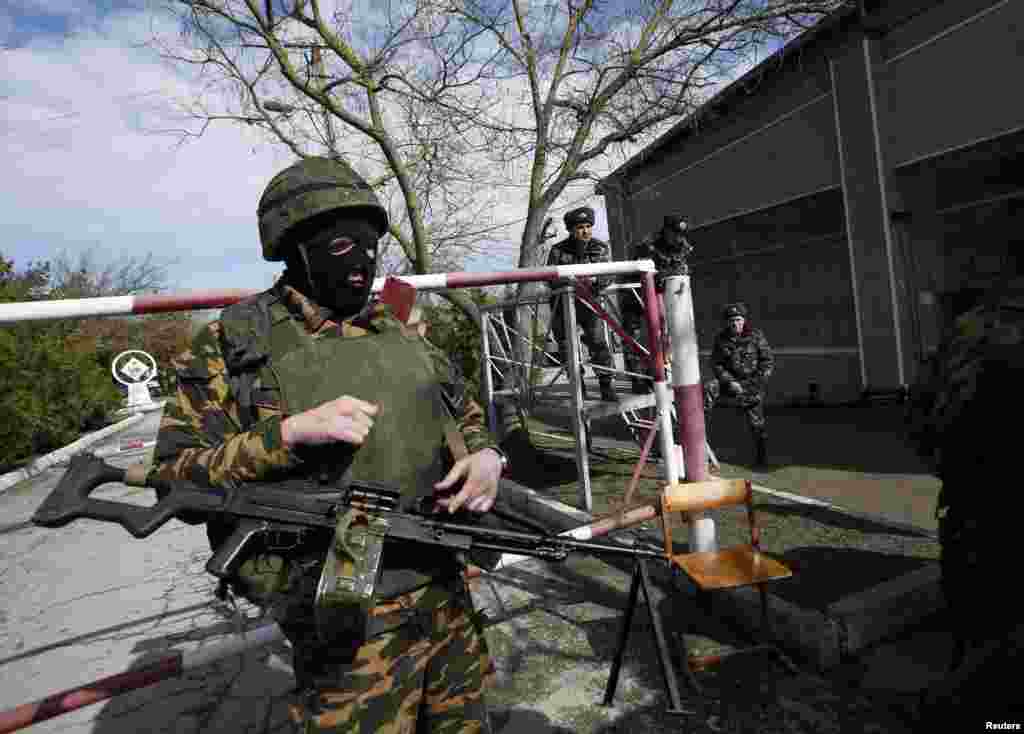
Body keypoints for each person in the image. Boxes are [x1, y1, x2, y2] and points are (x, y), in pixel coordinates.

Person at [150, 156, 508, 733]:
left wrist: (486, 456)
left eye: (371, 247)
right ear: (296, 250)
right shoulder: (235, 344)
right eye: (343, 248)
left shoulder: (399, 328)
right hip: (341, 615)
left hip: (444, 591)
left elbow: (463, 413)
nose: (363, 263)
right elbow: (174, 478)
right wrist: (287, 435)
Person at [907, 265, 1024, 727]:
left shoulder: (971, 329)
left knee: (977, 621)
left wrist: (958, 472)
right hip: (986, 502)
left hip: (973, 505)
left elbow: (921, 419)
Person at [546, 206, 617, 403]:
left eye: (588, 226)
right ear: (570, 230)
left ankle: (606, 384)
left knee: (597, 341)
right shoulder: (558, 250)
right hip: (563, 304)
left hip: (589, 303)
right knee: (567, 346)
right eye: (579, 227)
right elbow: (550, 278)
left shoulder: (600, 247)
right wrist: (573, 281)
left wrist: (595, 281)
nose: (585, 231)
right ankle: (578, 386)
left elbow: (608, 274)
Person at [620, 214, 694, 394]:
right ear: (666, 231)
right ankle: (637, 378)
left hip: (661, 293)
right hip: (635, 294)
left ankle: (657, 374)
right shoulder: (648, 246)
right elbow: (642, 273)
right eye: (675, 233)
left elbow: (680, 270)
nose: (679, 238)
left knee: (664, 334)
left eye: (681, 234)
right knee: (633, 337)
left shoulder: (683, 247)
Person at [703, 303, 774, 466]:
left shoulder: (756, 336)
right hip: (729, 383)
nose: (735, 323)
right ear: (727, 322)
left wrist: (753, 385)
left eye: (738, 319)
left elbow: (767, 362)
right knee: (710, 387)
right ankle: (699, 441)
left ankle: (761, 456)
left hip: (751, 385)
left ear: (744, 320)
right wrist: (730, 382)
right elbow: (716, 364)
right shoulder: (721, 339)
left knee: (756, 423)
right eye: (732, 320)